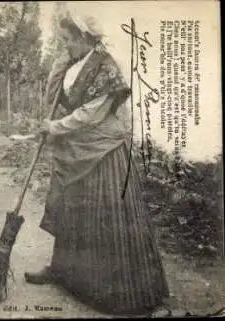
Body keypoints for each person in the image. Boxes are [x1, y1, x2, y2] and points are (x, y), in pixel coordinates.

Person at [23, 9, 170, 317]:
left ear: (84, 38)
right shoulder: (73, 65)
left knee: (104, 219)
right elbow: (55, 99)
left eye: (67, 41)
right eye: (62, 42)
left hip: (102, 153)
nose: (65, 47)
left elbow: (91, 114)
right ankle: (64, 273)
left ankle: (115, 291)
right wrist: (61, 65)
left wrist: (54, 128)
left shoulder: (106, 68)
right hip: (77, 149)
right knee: (72, 212)